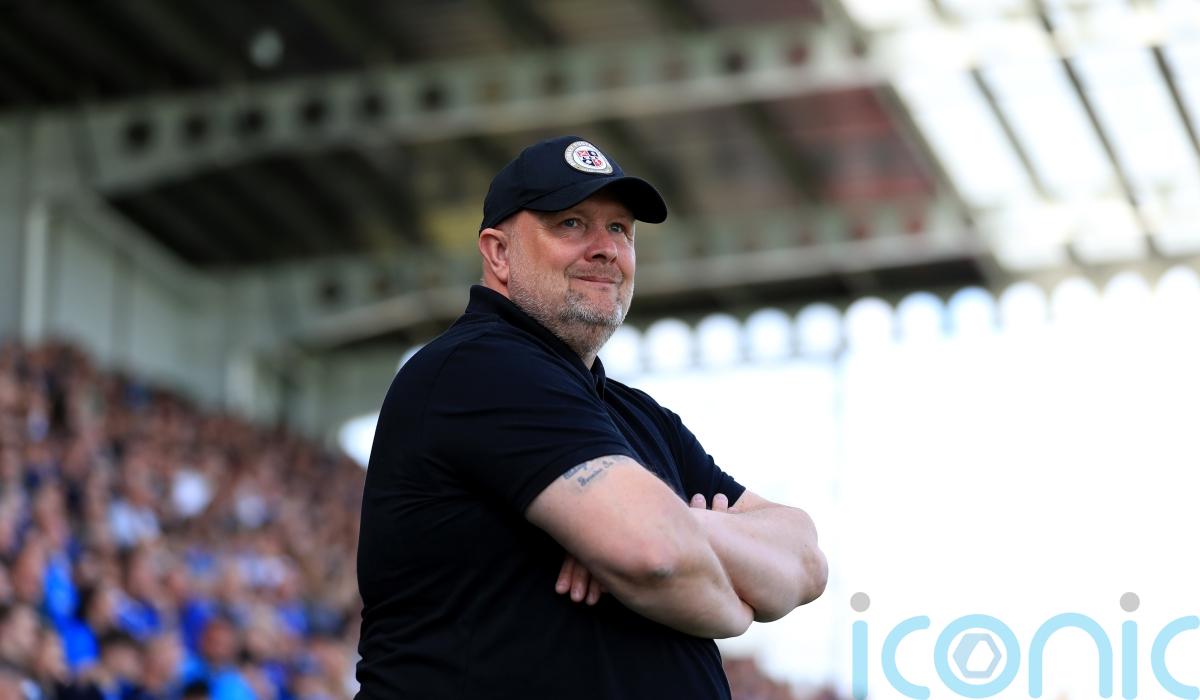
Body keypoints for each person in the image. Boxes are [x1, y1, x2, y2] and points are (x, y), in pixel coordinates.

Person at [356, 135, 828, 699]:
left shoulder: (638, 415)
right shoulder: (480, 366)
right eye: (571, 224)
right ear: (498, 253)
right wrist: (734, 609)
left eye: (620, 229)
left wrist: (687, 525)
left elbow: (806, 561)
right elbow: (655, 554)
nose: (605, 249)